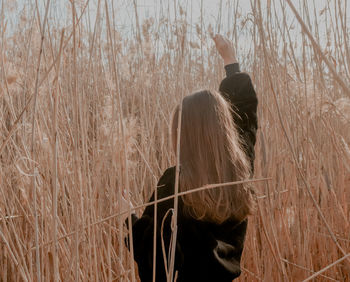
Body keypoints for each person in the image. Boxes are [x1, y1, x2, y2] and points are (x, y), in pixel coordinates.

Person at [124, 34, 258, 282]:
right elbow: (246, 117)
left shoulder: (174, 183)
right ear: (225, 128)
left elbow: (155, 257)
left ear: (183, 135)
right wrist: (231, 61)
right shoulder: (239, 174)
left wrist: (132, 224)